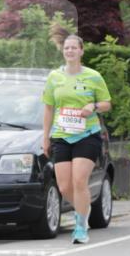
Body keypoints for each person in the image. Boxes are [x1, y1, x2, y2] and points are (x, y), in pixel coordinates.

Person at [42, 33, 112, 244]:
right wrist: (45, 137)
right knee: (64, 187)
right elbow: (48, 108)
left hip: (86, 135)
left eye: (74, 47)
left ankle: (80, 227)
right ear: (63, 52)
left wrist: (93, 106)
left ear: (81, 51)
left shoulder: (93, 76)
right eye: (66, 48)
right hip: (62, 136)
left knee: (79, 180)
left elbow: (107, 103)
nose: (70, 51)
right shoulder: (54, 77)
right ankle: (84, 207)